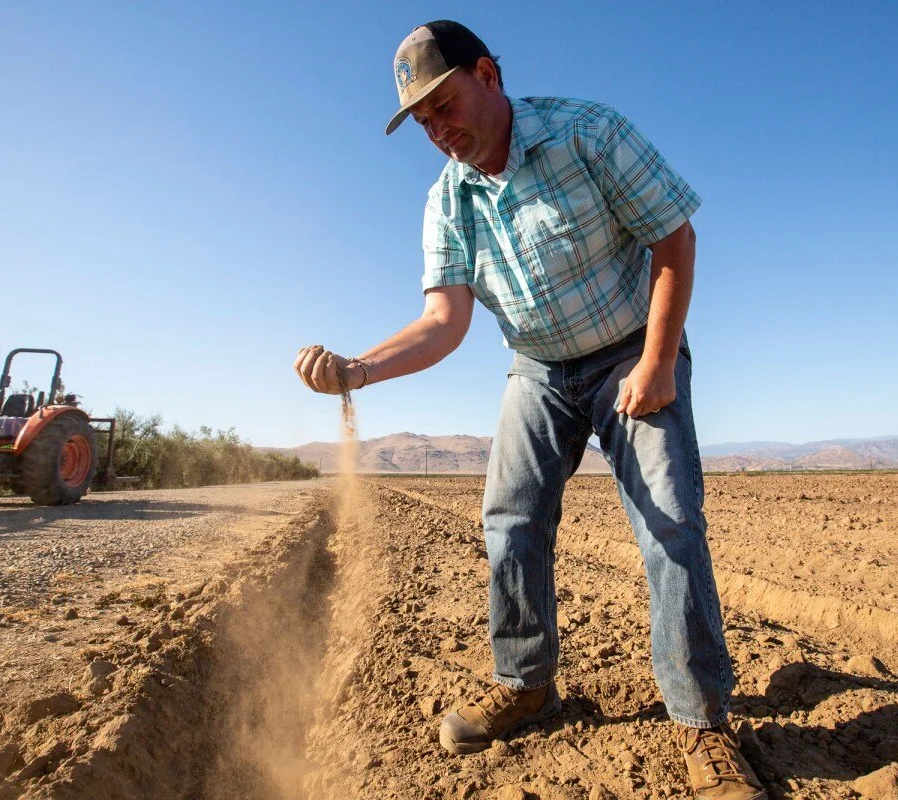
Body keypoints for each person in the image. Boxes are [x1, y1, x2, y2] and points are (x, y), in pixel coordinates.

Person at [294, 20, 765, 799]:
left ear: (487, 74)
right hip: (540, 368)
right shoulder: (449, 200)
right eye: (423, 123)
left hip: (629, 348)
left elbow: (674, 238)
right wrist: (354, 371)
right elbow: (444, 322)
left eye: (445, 106)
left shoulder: (588, 132)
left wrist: (654, 362)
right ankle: (526, 684)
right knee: (509, 518)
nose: (439, 131)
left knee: (670, 523)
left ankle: (703, 725)